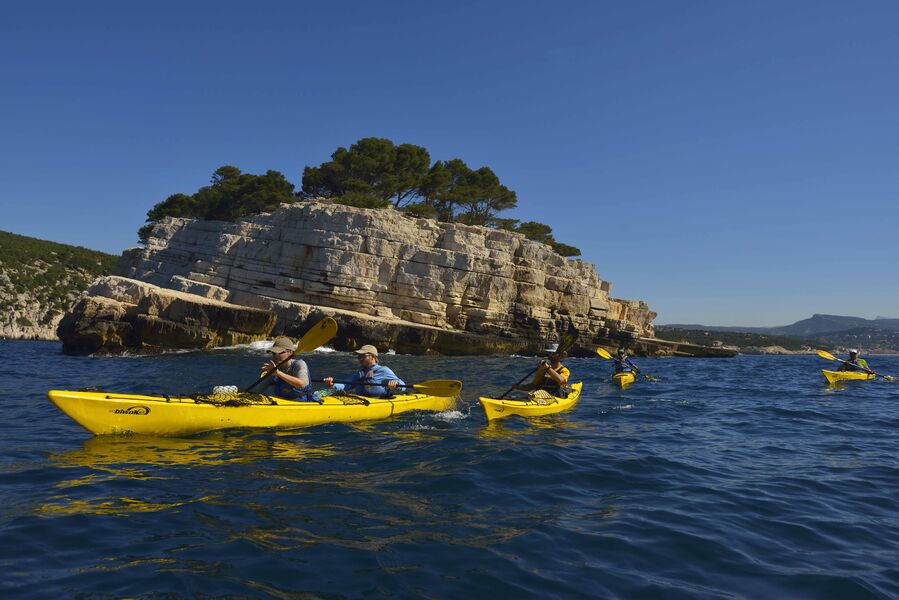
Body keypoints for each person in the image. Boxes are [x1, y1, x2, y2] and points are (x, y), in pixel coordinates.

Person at [322, 345, 405, 397]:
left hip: (378, 401)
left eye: (363, 356)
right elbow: (345, 385)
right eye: (359, 357)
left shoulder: (383, 371)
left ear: (373, 357)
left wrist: (395, 385)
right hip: (361, 401)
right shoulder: (360, 373)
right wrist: (332, 384)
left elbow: (402, 386)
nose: (360, 359)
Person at [258, 336, 316, 401]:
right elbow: (258, 390)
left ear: (290, 352)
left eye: (279, 352)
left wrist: (278, 373)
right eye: (274, 353)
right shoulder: (273, 368)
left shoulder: (299, 364)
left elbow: (302, 384)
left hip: (302, 403)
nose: (276, 356)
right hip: (281, 403)